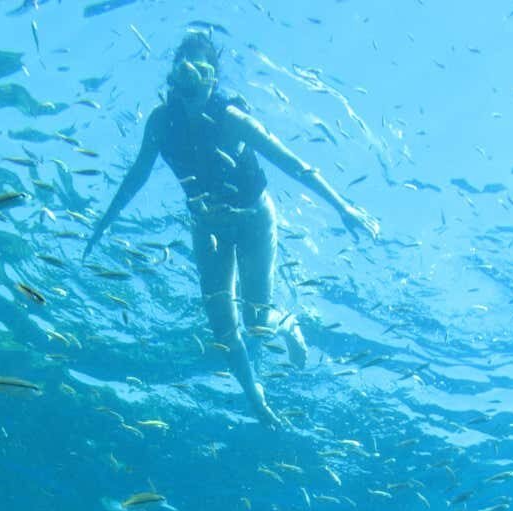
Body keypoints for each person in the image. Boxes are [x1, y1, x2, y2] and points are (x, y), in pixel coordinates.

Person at [83, 32, 379, 428]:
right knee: (221, 326)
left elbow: (291, 163)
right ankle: (254, 396)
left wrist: (342, 207)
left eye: (201, 72)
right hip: (207, 226)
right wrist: (102, 224)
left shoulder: (232, 119)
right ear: (174, 77)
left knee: (256, 322)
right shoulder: (160, 123)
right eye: (184, 70)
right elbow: (136, 175)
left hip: (254, 219)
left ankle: (287, 324)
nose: (191, 82)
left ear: (213, 80)